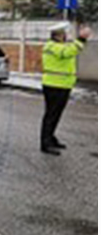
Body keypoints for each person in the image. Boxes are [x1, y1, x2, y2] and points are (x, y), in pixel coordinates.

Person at [39, 22, 92, 156]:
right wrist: (82, 38)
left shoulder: (59, 46)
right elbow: (69, 51)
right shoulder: (51, 46)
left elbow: (71, 49)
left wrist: (79, 40)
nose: (66, 36)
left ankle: (51, 138)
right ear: (58, 35)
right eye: (64, 34)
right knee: (51, 115)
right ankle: (45, 143)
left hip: (62, 85)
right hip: (54, 85)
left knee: (56, 114)